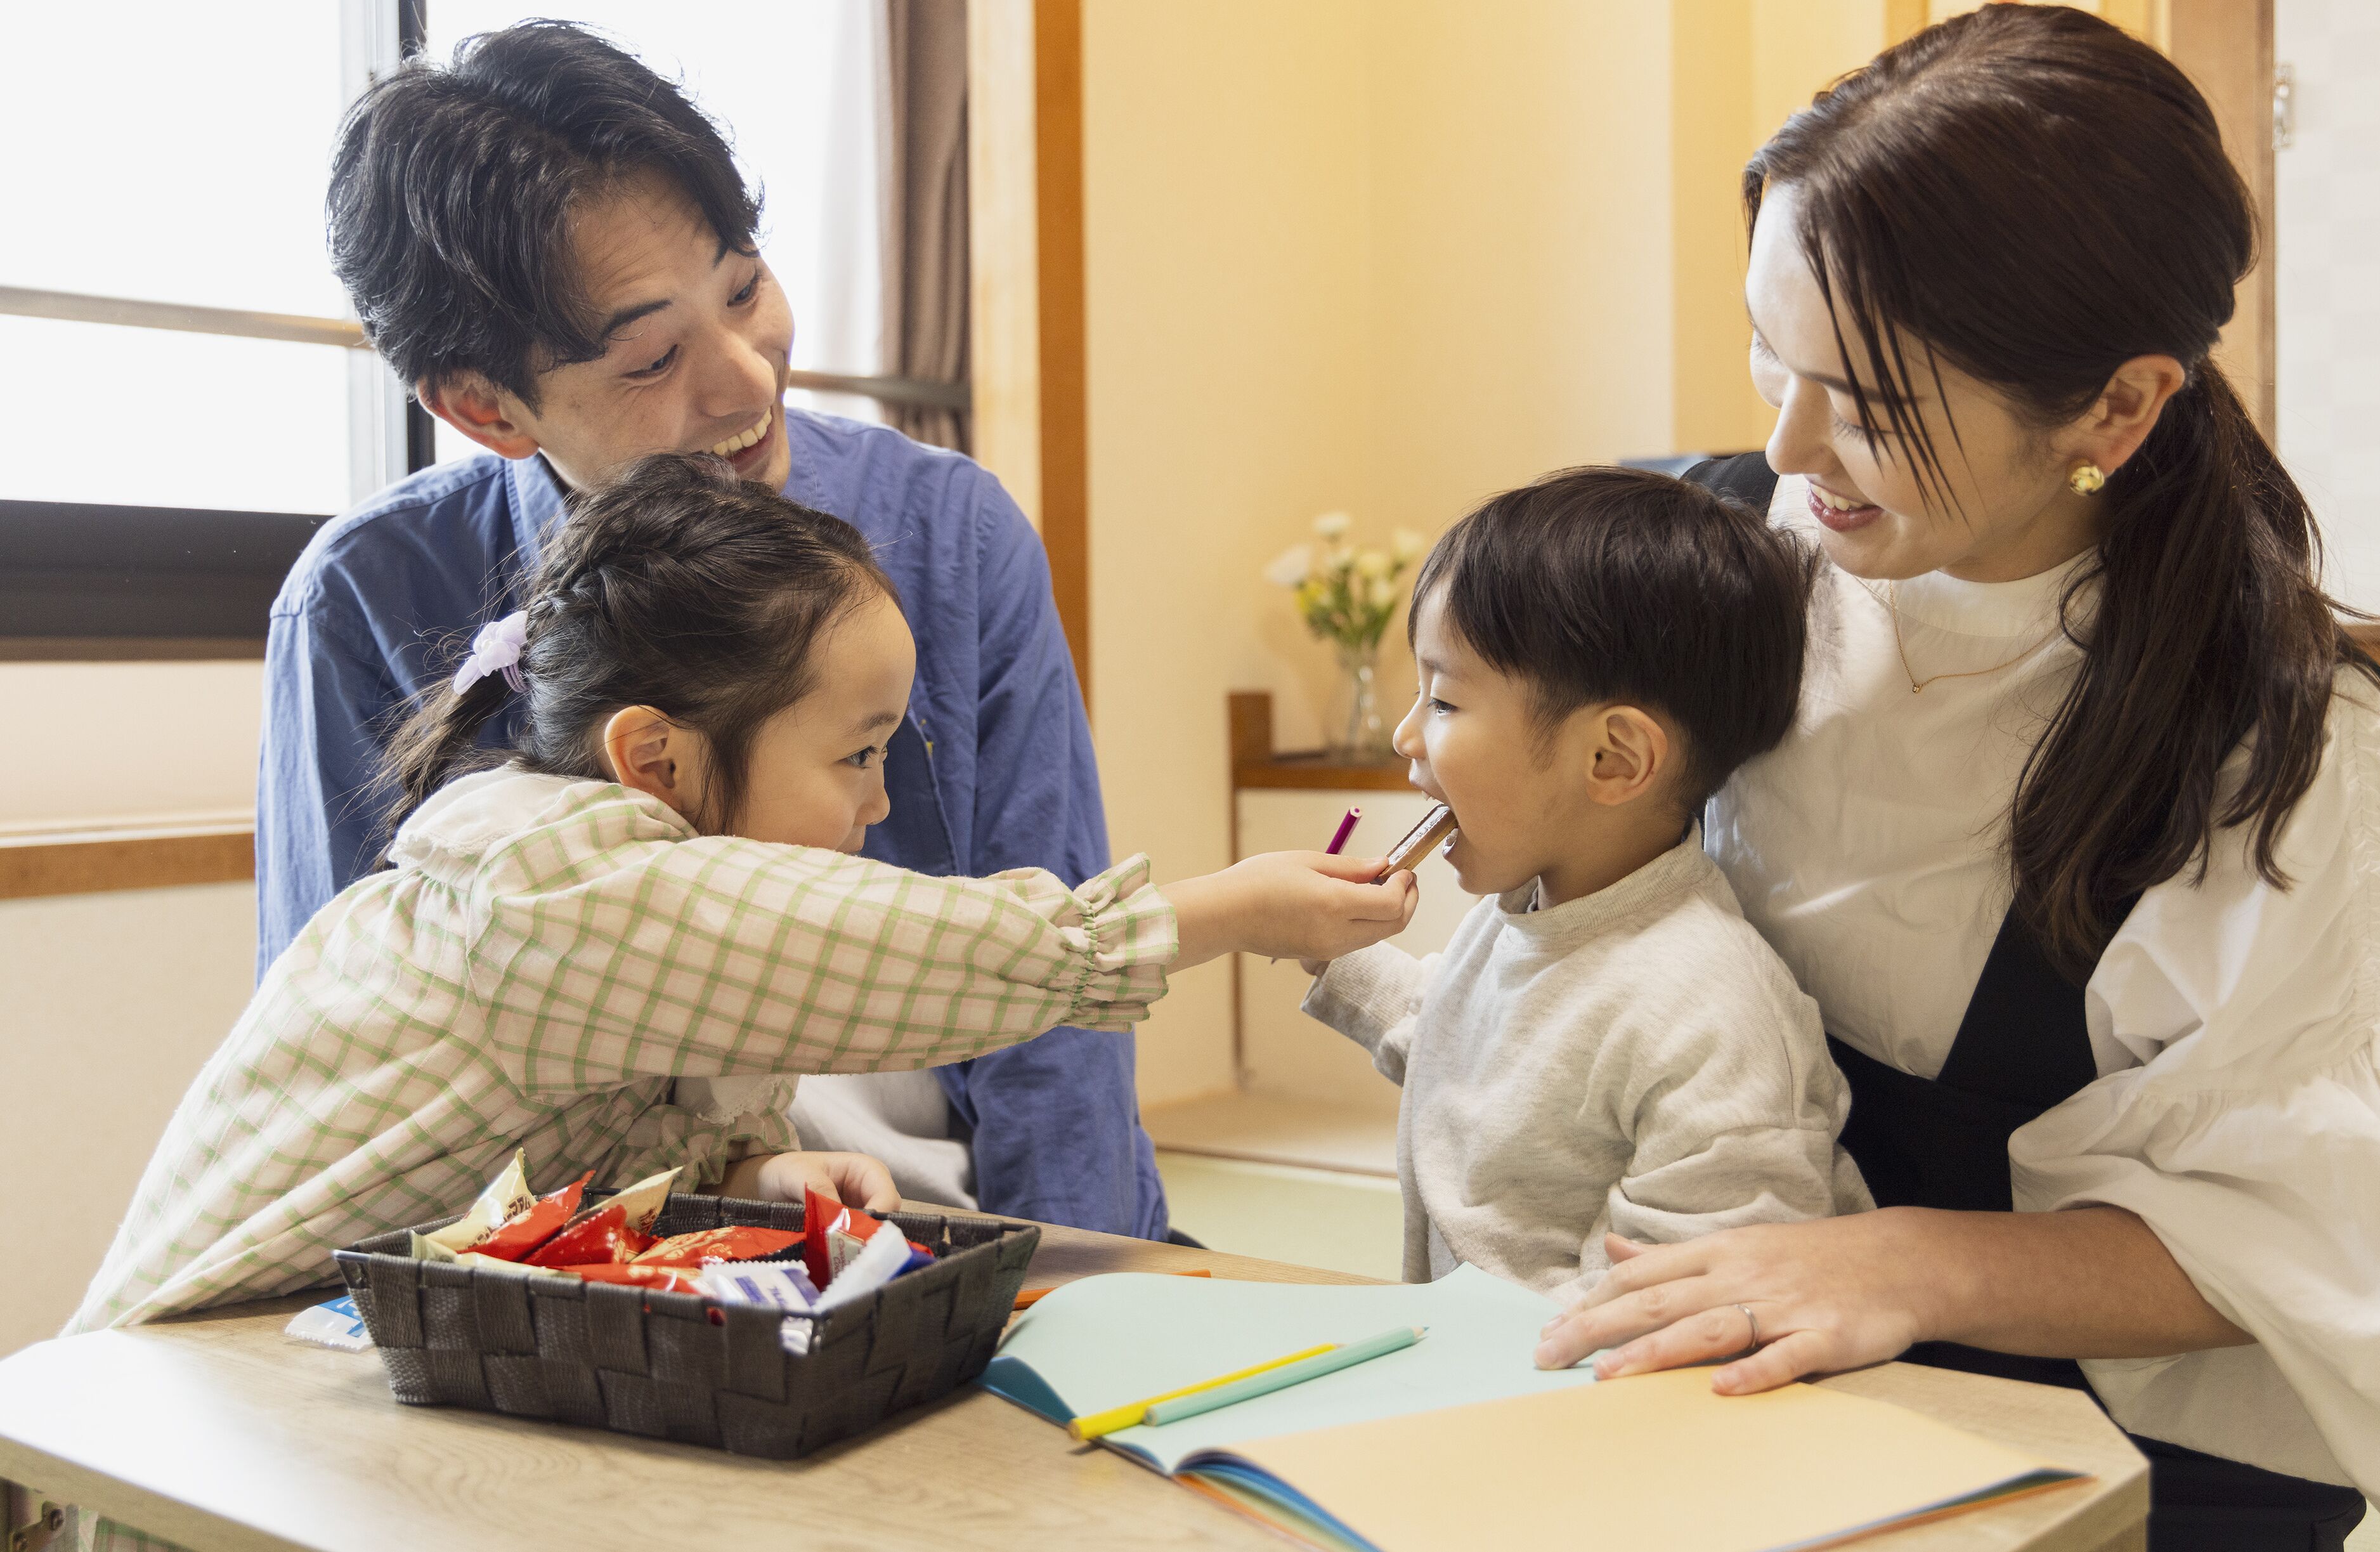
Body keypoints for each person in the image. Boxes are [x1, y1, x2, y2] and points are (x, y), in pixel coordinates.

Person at [1532, 4, 2380, 1546]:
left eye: (1870, 407)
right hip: (1743, 1426)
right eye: (1769, 355)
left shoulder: (2270, 751)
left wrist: (1910, 1264)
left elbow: (2337, 1237)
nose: (1788, 445)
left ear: (2117, 409)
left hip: (2116, 1475)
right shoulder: (1722, 561)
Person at [75, 457, 1415, 1336]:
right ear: (655, 757)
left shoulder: (622, 905)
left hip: (361, 1353)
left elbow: (597, 1141)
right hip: (195, 1388)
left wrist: (747, 1169)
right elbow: (906, 957)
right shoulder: (541, 884)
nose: (881, 808)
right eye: (855, 756)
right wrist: (1219, 914)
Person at [264, 19, 1162, 1237]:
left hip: (961, 1231)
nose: (750, 382)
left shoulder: (951, 535)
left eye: (745, 289)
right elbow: (349, 1083)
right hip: (588, 1269)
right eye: (652, 359)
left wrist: (1074, 1283)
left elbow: (1060, 1021)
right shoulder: (369, 601)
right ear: (485, 408)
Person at [1299, 468, 1870, 1303]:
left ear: (1613, 759)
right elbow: (1481, 1069)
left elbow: (1674, 1303)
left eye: (1446, 700)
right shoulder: (1525, 914)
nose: (1404, 733)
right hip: (1481, 1384)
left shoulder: (1712, 1015)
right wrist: (1324, 950)